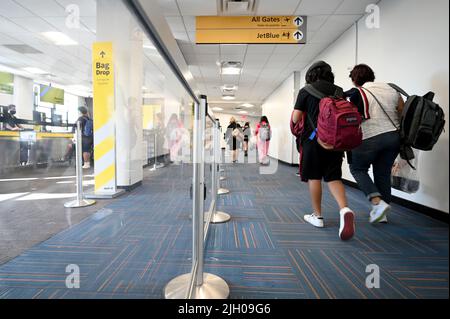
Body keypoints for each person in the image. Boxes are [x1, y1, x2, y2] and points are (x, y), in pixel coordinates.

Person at [292, 61, 355, 241]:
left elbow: (296, 118)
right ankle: (345, 209)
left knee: (314, 177)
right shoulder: (338, 91)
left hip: (313, 141)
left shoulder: (306, 91)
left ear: (311, 75)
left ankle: (317, 215)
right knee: (333, 177)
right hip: (335, 141)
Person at [346, 64, 404, 224]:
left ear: (355, 79)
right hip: (393, 137)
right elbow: (401, 111)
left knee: (357, 169)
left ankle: (377, 204)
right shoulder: (392, 90)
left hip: (369, 137)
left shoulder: (357, 92)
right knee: (382, 174)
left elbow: (353, 118)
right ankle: (382, 214)